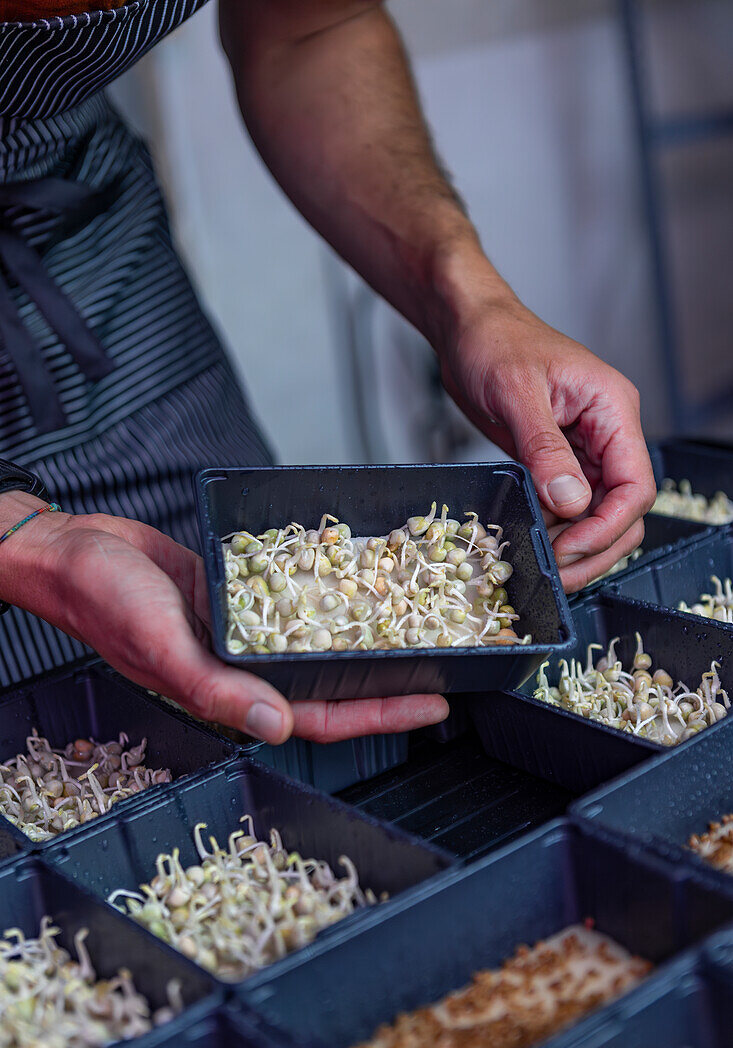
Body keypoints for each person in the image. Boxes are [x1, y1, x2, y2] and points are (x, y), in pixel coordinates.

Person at [0, 0, 656, 746]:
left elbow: (309, 30)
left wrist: (470, 300)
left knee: (247, 667)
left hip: (90, 258)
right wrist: (25, 542)